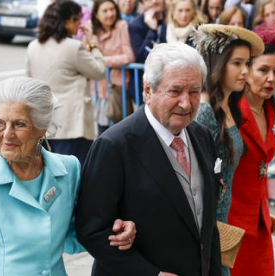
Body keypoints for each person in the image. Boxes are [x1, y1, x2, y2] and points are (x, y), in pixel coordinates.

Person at [0, 77, 137, 275]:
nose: (7, 134)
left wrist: (116, 230)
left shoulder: (68, 169)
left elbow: (74, 237)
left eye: (19, 124)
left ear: (42, 128)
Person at [75, 43, 221, 275]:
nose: (186, 103)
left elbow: (207, 226)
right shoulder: (114, 145)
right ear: (148, 91)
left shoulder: (201, 135)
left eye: (194, 91)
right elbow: (91, 230)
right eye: (175, 91)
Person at [192, 24, 264, 276]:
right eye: (237, 63)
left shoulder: (227, 106)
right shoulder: (204, 112)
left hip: (223, 223)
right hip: (208, 227)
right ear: (218, 62)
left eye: (247, 63)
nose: (245, 71)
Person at [228, 23, 275, 275]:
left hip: (260, 222)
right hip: (231, 225)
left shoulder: (269, 110)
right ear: (246, 70)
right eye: (263, 70)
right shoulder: (229, 112)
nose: (271, 78)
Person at [26, 0, 106, 165]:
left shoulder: (33, 46)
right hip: (72, 124)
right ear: (65, 21)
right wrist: (93, 44)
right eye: (76, 19)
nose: (79, 24)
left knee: (51, 175)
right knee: (74, 174)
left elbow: (28, 82)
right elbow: (99, 71)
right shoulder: (74, 47)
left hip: (45, 125)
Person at [85, 0, 135, 133]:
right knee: (102, 130)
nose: (110, 14)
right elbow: (85, 56)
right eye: (105, 11)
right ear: (96, 14)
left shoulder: (121, 25)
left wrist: (102, 61)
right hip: (97, 88)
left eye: (112, 9)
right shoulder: (90, 28)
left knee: (121, 129)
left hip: (117, 88)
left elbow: (129, 56)